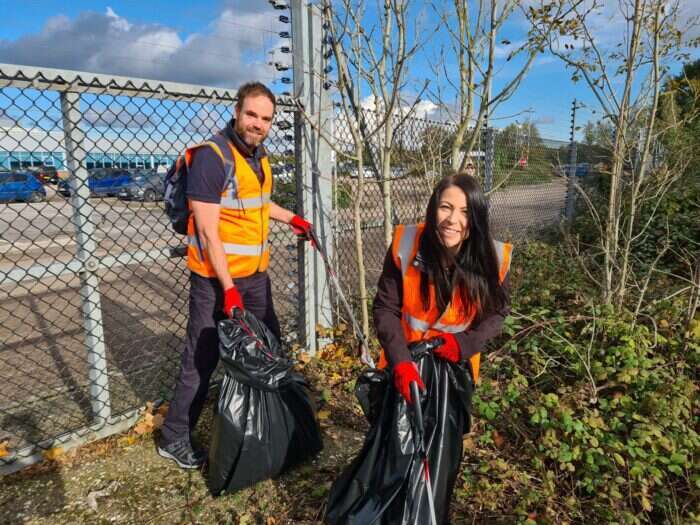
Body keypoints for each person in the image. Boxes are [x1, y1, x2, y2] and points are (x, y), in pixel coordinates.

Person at [158, 81, 314, 469]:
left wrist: (292, 217)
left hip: (255, 278)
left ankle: (278, 420)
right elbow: (209, 232)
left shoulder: (258, 158)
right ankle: (174, 436)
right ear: (237, 111)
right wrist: (228, 291)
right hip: (216, 283)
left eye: (265, 118)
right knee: (202, 357)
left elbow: (258, 203)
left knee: (270, 345)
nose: (258, 123)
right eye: (252, 114)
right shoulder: (213, 157)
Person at [372, 173, 511, 521]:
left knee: (440, 456)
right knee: (396, 447)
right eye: (446, 207)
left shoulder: (491, 256)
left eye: (464, 212)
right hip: (405, 365)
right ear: (433, 207)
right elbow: (385, 308)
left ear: (475, 217)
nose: (453, 220)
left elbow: (497, 314)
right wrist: (400, 363)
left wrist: (464, 344)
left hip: (455, 371)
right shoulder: (406, 244)